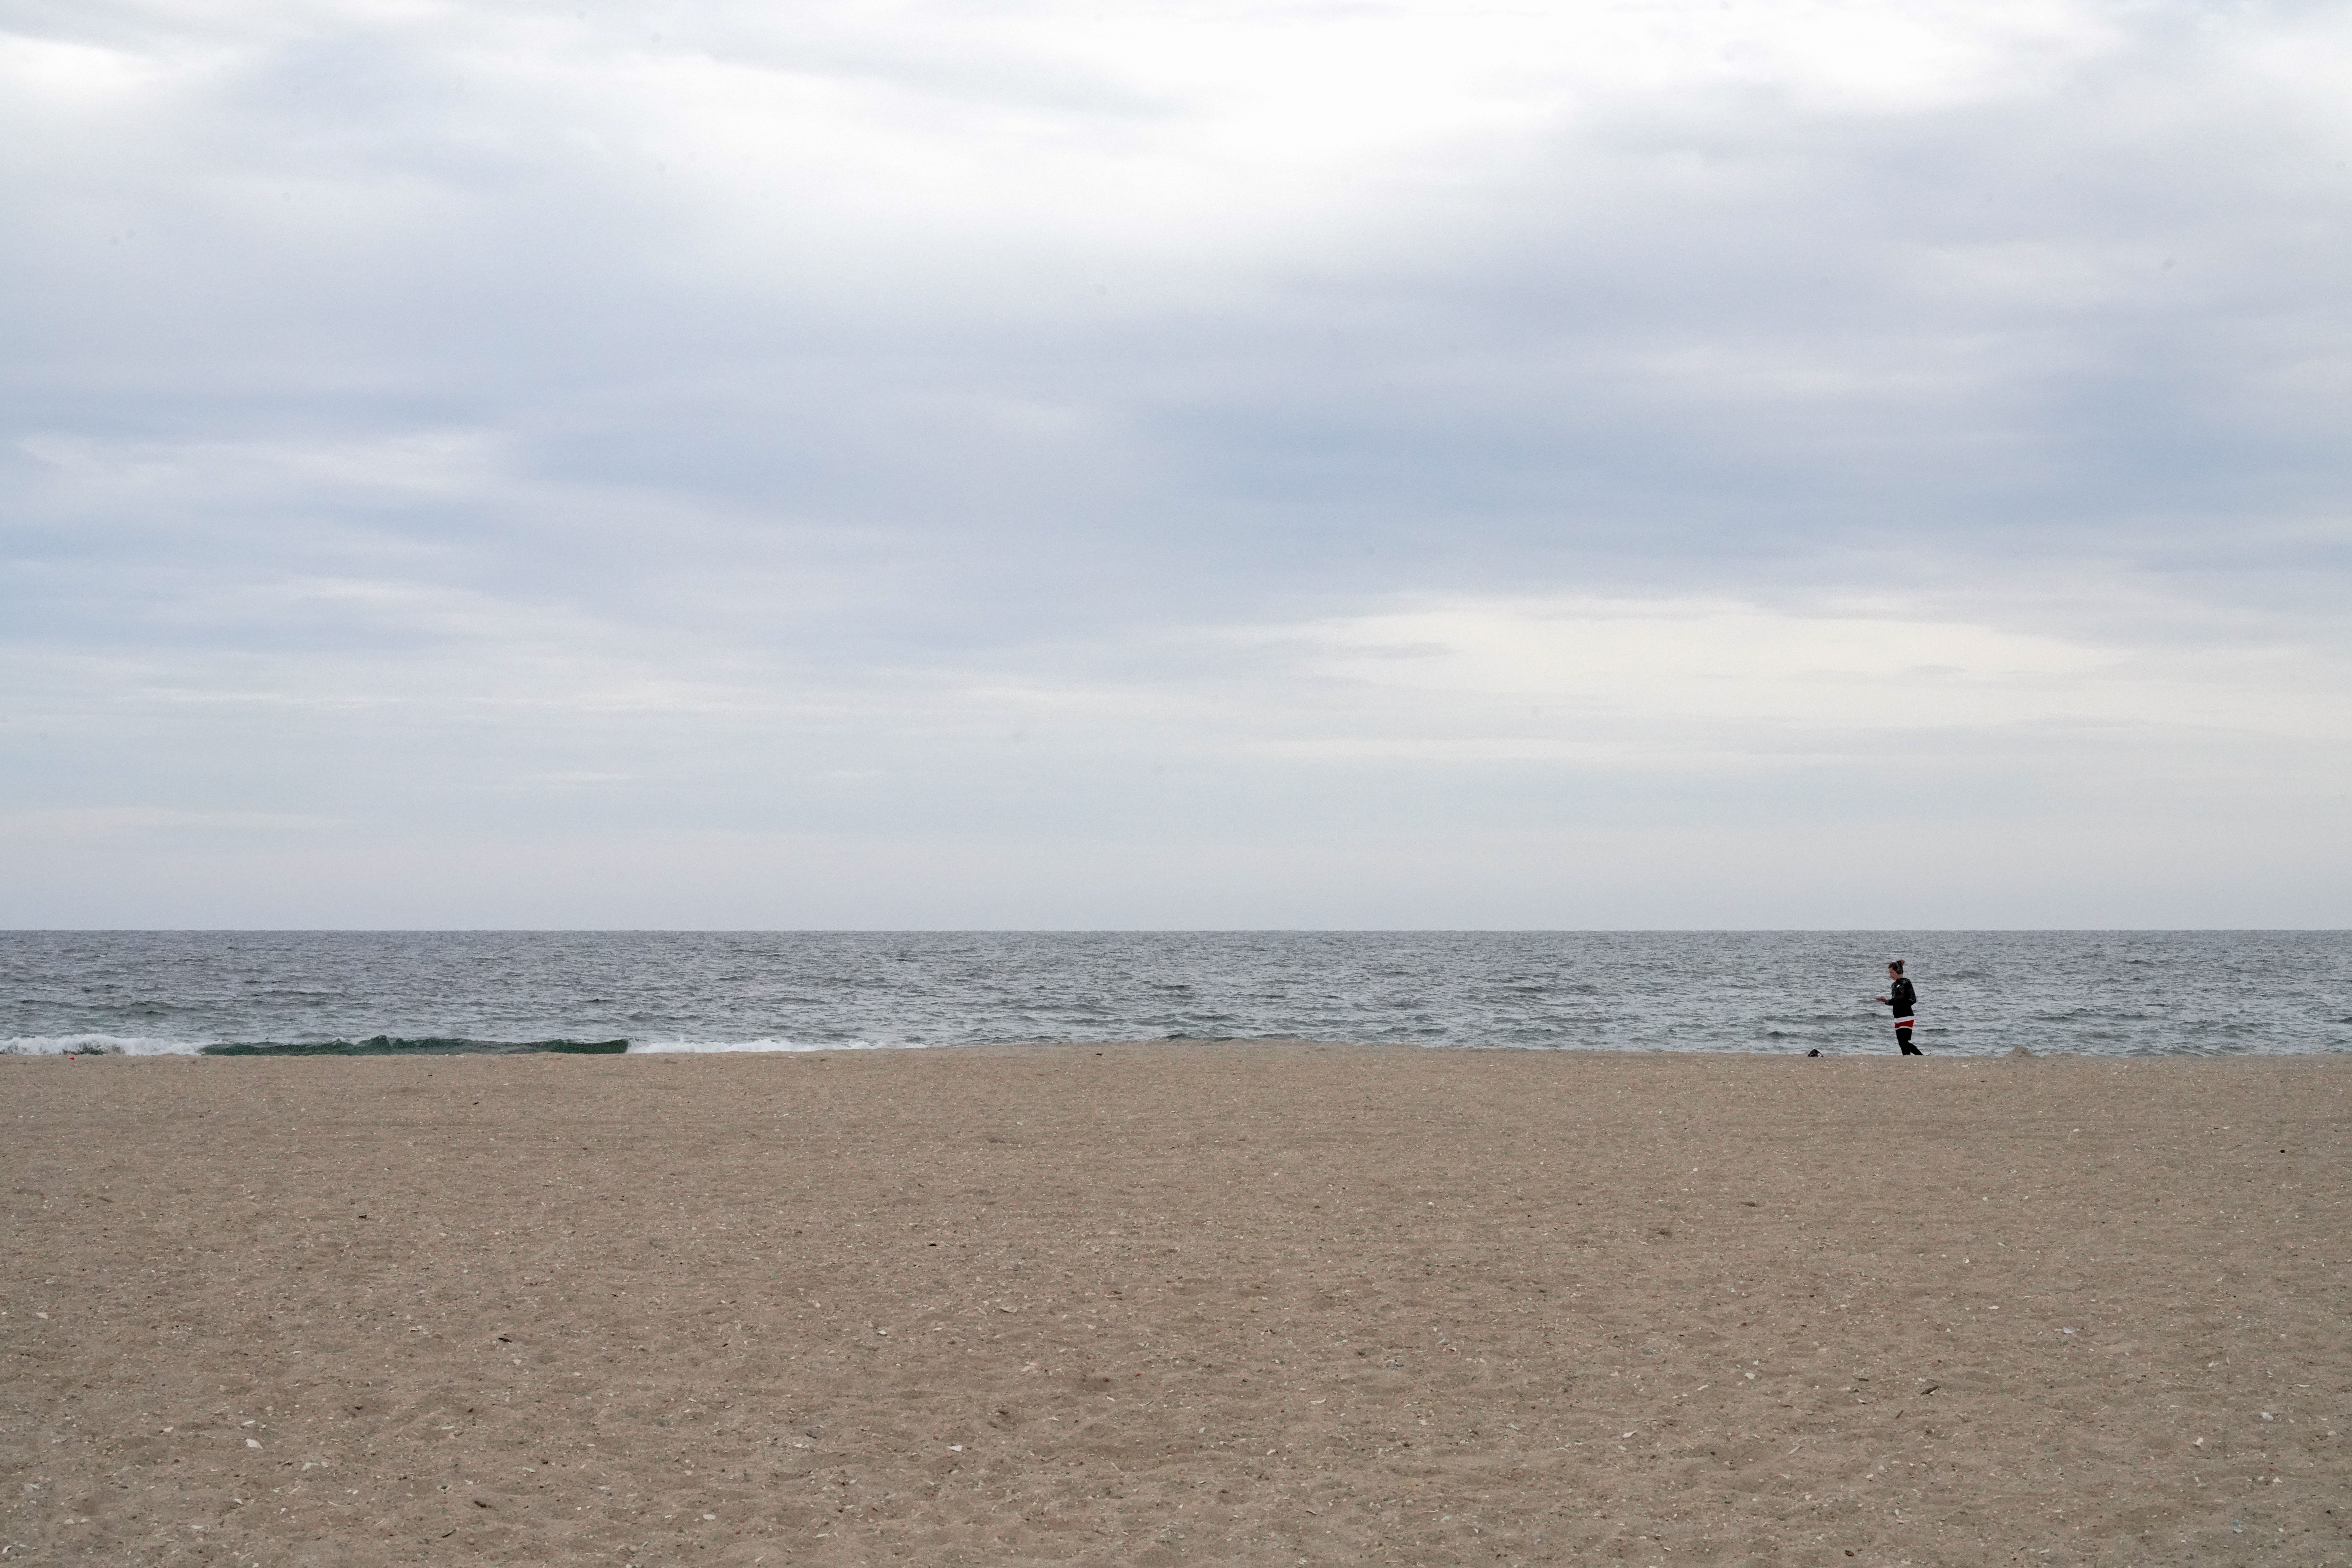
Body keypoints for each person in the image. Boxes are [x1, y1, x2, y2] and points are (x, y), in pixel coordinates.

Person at [1876, 961, 1921, 1054]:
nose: (1890, 975)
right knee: (1901, 1043)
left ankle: (1921, 1057)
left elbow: (1913, 999)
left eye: (1892, 973)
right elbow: (1894, 1002)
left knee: (1904, 1042)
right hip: (1897, 1018)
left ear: (1898, 971)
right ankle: (1907, 1058)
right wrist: (1886, 1002)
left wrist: (1902, 1007)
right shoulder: (1894, 985)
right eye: (1889, 973)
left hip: (1907, 1017)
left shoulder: (1906, 982)